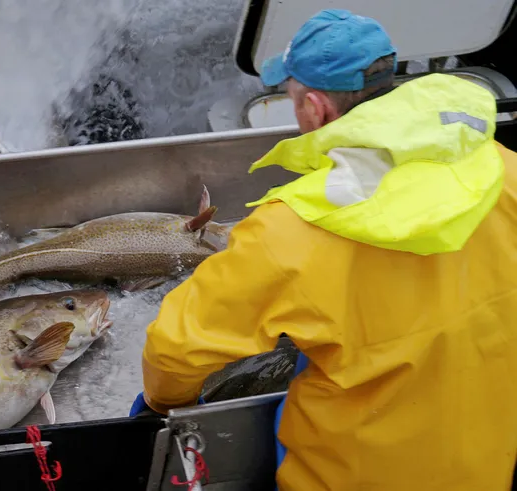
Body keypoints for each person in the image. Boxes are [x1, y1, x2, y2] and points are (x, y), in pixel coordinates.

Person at [131, 9, 517, 490]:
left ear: (315, 109)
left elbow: (174, 350)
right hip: (485, 462)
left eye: (291, 100)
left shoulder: (289, 229)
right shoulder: (500, 167)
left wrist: (160, 404)